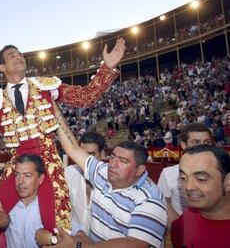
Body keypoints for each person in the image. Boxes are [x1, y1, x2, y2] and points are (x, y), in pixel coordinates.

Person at [0, 39, 125, 243]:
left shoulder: (45, 86)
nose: (18, 57)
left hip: (49, 164)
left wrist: (107, 68)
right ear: (2, 67)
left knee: (57, 229)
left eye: (19, 54)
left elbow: (84, 97)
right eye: (12, 56)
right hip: (16, 166)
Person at [48, 100, 167, 247]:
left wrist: (80, 247)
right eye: (112, 157)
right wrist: (52, 106)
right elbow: (73, 148)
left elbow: (135, 244)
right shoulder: (102, 172)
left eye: (123, 161)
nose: (113, 164)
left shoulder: (150, 199)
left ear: (140, 170)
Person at [0, 154, 57, 248]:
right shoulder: (7, 203)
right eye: (17, 175)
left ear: (40, 179)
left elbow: (76, 237)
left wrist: (52, 239)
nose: (20, 181)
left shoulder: (54, 206)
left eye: (27, 176)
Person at [171, 145, 230, 247]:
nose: (188, 187)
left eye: (201, 179)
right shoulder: (186, 219)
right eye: (183, 178)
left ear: (227, 181)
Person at [157, 123, 212, 228]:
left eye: (207, 142)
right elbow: (164, 204)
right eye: (196, 142)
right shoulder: (169, 174)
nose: (202, 146)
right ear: (184, 145)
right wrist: (181, 228)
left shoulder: (223, 172)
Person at [64, 131, 105, 237]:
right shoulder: (68, 173)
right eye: (82, 154)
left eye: (91, 155)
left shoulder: (111, 179)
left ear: (102, 154)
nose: (86, 160)